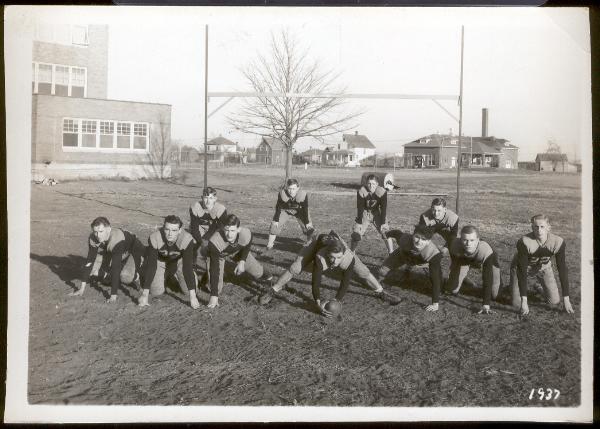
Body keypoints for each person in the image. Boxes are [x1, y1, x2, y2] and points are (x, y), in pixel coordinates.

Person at [259, 230, 401, 314]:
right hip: (317, 243)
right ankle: (274, 289)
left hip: (337, 244)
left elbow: (345, 282)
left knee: (363, 270)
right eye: (332, 258)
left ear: (343, 254)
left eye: (338, 258)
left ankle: (381, 292)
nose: (334, 262)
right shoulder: (321, 256)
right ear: (328, 255)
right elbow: (316, 281)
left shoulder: (347, 258)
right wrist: (318, 301)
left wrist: (337, 299)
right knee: (296, 267)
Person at [70, 217, 145, 303]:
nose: (98, 235)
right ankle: (109, 276)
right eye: (95, 232)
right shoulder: (93, 237)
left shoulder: (116, 238)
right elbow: (90, 260)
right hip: (114, 252)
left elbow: (116, 267)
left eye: (101, 231)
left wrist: (113, 295)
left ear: (108, 229)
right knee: (90, 267)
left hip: (132, 253)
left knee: (124, 276)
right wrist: (81, 289)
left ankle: (136, 277)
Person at [510, 214, 573, 316]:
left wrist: (566, 299)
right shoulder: (524, 241)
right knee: (516, 304)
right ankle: (512, 287)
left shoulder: (558, 242)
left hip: (543, 267)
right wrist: (524, 302)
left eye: (542, 227)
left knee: (554, 301)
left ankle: (539, 287)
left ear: (548, 227)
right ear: (532, 227)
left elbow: (562, 269)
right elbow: (521, 271)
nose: (539, 230)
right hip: (522, 267)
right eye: (536, 227)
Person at [206, 214, 273, 308]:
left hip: (237, 251)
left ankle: (269, 276)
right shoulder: (214, 241)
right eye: (226, 230)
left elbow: (247, 243)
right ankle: (207, 277)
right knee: (215, 289)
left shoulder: (245, 233)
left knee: (258, 272)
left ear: (238, 229)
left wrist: (242, 261)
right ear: (222, 228)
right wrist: (214, 296)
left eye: (232, 230)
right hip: (219, 255)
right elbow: (215, 268)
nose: (229, 234)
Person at [137, 215, 200, 309]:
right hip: (160, 261)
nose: (170, 234)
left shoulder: (186, 239)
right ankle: (162, 275)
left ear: (180, 231)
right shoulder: (155, 237)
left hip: (179, 261)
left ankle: (180, 276)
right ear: (163, 228)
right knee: (156, 292)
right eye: (167, 229)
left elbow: (187, 267)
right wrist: (145, 294)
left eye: (174, 230)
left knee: (189, 291)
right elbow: (152, 265)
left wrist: (193, 297)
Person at [377, 225, 443, 312]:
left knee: (437, 279)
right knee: (382, 271)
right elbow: (396, 233)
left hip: (423, 262)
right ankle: (378, 285)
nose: (419, 241)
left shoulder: (433, 254)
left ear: (428, 241)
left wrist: (435, 303)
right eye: (417, 237)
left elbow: (435, 279)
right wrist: (386, 234)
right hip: (402, 256)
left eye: (423, 239)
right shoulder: (405, 239)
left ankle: (440, 287)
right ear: (413, 235)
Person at [446, 225, 502, 314]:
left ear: (478, 240)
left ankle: (500, 284)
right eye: (465, 240)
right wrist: (456, 276)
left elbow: (487, 277)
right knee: (452, 289)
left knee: (494, 295)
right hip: (465, 260)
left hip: (487, 262)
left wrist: (486, 304)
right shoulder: (454, 245)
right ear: (460, 239)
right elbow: (455, 263)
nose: (468, 244)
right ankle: (464, 280)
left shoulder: (485, 250)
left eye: (472, 240)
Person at [261, 178, 314, 256]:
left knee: (309, 228)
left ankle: (310, 247)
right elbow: (278, 207)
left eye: (293, 189)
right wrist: (276, 220)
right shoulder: (282, 194)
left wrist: (307, 222)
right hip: (286, 210)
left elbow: (305, 208)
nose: (291, 191)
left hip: (300, 211)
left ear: (298, 188)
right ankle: (269, 247)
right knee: (274, 226)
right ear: (286, 188)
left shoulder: (302, 194)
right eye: (289, 188)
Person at [189, 187, 227, 286]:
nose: (207, 201)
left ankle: (211, 274)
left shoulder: (221, 209)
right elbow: (194, 228)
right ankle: (192, 269)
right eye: (205, 198)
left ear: (215, 199)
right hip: (200, 229)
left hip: (214, 230)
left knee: (214, 249)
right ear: (202, 197)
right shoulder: (195, 207)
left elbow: (220, 228)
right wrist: (201, 242)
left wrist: (206, 240)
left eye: (210, 198)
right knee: (191, 242)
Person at [350, 174, 394, 254]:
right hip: (365, 213)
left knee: (385, 232)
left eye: (373, 184)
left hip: (377, 212)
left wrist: (383, 222)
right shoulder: (362, 191)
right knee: (356, 234)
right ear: (366, 183)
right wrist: (359, 223)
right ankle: (352, 253)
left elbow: (384, 208)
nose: (371, 186)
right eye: (369, 183)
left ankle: (391, 252)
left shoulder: (382, 191)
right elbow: (360, 208)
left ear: (377, 184)